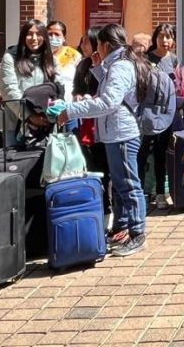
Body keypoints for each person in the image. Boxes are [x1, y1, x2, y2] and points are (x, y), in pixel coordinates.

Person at [57, 24, 150, 257]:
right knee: (120, 186)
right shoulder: (113, 65)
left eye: (97, 43)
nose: (95, 48)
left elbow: (108, 102)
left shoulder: (120, 67)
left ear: (106, 45)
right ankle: (123, 228)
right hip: (114, 133)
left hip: (122, 134)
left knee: (129, 185)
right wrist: (99, 69)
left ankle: (138, 233)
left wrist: (71, 110)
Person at [72, 26, 111, 221]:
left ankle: (110, 211)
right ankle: (101, 209)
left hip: (106, 123)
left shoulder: (107, 64)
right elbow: (76, 90)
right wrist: (79, 97)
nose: (83, 45)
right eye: (82, 41)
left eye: (86, 41)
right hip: (88, 123)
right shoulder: (82, 65)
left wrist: (93, 97)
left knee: (109, 168)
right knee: (94, 166)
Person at [140, 23, 178, 209]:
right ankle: (143, 194)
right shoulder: (146, 58)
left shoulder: (175, 60)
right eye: (161, 36)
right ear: (155, 38)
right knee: (143, 152)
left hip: (167, 114)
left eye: (168, 36)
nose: (165, 40)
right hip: (147, 113)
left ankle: (161, 193)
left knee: (162, 153)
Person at [0, 19, 57, 134]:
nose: (34, 38)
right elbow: (9, 90)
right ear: (23, 36)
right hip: (14, 125)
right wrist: (29, 116)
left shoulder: (51, 59)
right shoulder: (10, 57)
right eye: (29, 34)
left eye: (38, 34)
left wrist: (51, 114)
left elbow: (56, 89)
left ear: (44, 37)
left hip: (45, 124)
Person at [47, 20, 81, 107]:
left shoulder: (74, 55)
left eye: (57, 34)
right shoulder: (41, 55)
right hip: (46, 107)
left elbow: (81, 80)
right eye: (50, 34)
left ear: (64, 38)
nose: (53, 37)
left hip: (69, 105)